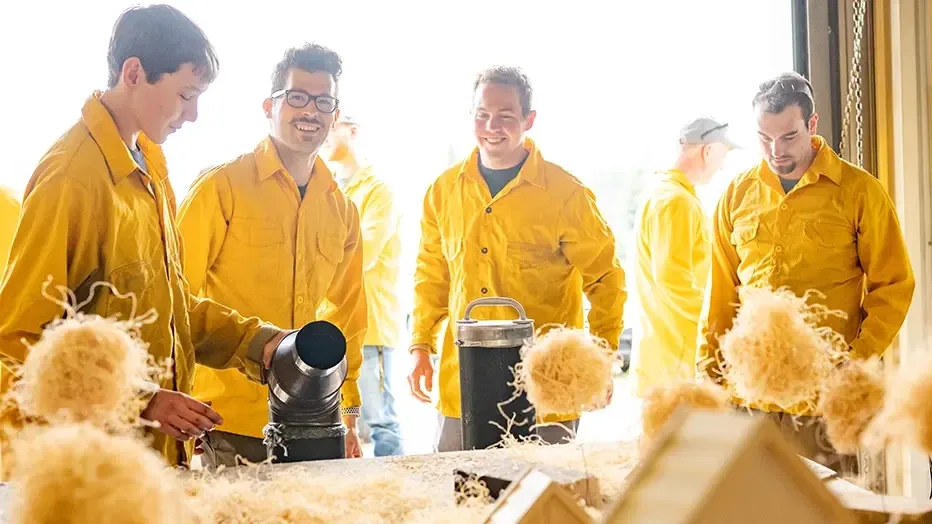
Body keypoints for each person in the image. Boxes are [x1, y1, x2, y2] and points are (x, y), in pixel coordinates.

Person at [0, 4, 288, 468]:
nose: (192, 115)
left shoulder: (149, 165)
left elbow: (169, 306)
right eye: (185, 95)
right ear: (134, 73)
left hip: (150, 463)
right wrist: (140, 401)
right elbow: (19, 341)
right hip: (85, 469)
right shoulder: (71, 178)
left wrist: (259, 344)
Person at [697, 72, 915, 472]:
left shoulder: (859, 192)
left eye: (789, 136)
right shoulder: (737, 193)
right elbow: (721, 292)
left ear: (811, 125)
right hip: (747, 399)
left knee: (822, 510)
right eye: (764, 138)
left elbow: (894, 285)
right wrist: (709, 376)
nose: (776, 149)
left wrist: (855, 362)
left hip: (822, 404)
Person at [408, 66, 626, 452]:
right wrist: (420, 346)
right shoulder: (442, 191)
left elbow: (606, 280)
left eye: (506, 116)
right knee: (460, 495)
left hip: (545, 390)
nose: (492, 126)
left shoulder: (566, 194)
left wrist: (599, 359)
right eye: (482, 115)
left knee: (543, 500)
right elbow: (432, 275)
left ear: (529, 120)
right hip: (462, 384)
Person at [177, 43, 367, 466]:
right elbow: (173, 300)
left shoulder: (342, 209)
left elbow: (349, 320)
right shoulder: (221, 188)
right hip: (227, 421)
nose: (310, 111)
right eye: (297, 97)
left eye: (323, 102)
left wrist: (350, 416)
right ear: (270, 106)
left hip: (315, 420)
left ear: (335, 117)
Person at [630, 117, 736, 397]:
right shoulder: (675, 202)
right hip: (675, 364)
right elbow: (673, 281)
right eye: (722, 156)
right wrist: (720, 326)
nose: (722, 166)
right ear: (708, 151)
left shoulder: (665, 193)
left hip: (664, 361)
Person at [323, 113, 404, 457]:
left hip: (371, 331)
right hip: (334, 328)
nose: (322, 131)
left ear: (352, 131)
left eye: (332, 126)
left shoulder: (378, 190)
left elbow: (363, 252)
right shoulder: (329, 188)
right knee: (346, 421)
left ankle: (396, 499)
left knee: (381, 422)